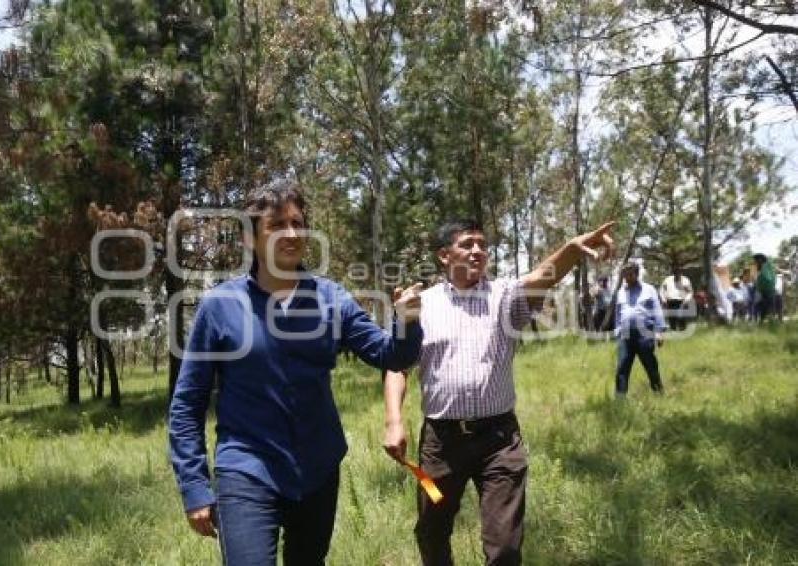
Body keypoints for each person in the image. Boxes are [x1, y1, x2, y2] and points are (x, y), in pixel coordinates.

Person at [168, 179, 424, 566]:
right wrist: (194, 486)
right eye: (277, 225)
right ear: (251, 239)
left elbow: (388, 354)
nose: (291, 233)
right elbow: (187, 404)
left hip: (318, 468)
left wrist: (405, 321)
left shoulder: (330, 298)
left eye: (298, 223)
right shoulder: (220, 306)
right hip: (246, 468)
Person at [382, 218, 615, 566]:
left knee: (505, 548)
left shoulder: (505, 297)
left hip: (499, 441)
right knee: (432, 530)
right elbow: (396, 365)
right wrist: (394, 421)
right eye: (467, 244)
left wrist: (570, 249)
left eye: (482, 244)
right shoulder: (422, 305)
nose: (478, 250)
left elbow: (542, 276)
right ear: (445, 255)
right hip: (441, 445)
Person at [614, 261, 666, 397]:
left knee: (650, 365)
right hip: (625, 335)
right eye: (625, 275)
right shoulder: (621, 292)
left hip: (645, 333)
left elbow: (657, 310)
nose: (627, 278)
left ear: (637, 274)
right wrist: (617, 331)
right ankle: (620, 399)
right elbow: (618, 313)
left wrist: (659, 331)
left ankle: (659, 393)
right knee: (622, 366)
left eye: (630, 274)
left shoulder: (649, 289)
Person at [753, 253, 776, 322]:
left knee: (766, 309)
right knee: (764, 309)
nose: (755, 263)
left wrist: (759, 285)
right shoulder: (765, 268)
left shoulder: (765, 268)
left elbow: (768, 279)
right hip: (766, 292)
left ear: (760, 260)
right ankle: (763, 323)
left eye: (756, 261)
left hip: (767, 292)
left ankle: (765, 323)